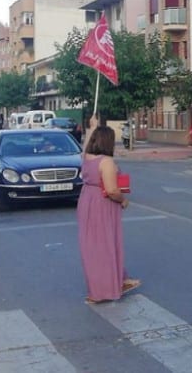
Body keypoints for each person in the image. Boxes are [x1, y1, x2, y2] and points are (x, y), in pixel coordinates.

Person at [77, 116, 139, 304]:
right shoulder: (107, 162)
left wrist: (92, 128)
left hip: (87, 200)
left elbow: (86, 147)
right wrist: (123, 201)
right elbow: (112, 190)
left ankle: (119, 279)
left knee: (93, 247)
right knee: (106, 245)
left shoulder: (87, 157)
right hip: (102, 204)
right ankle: (105, 289)